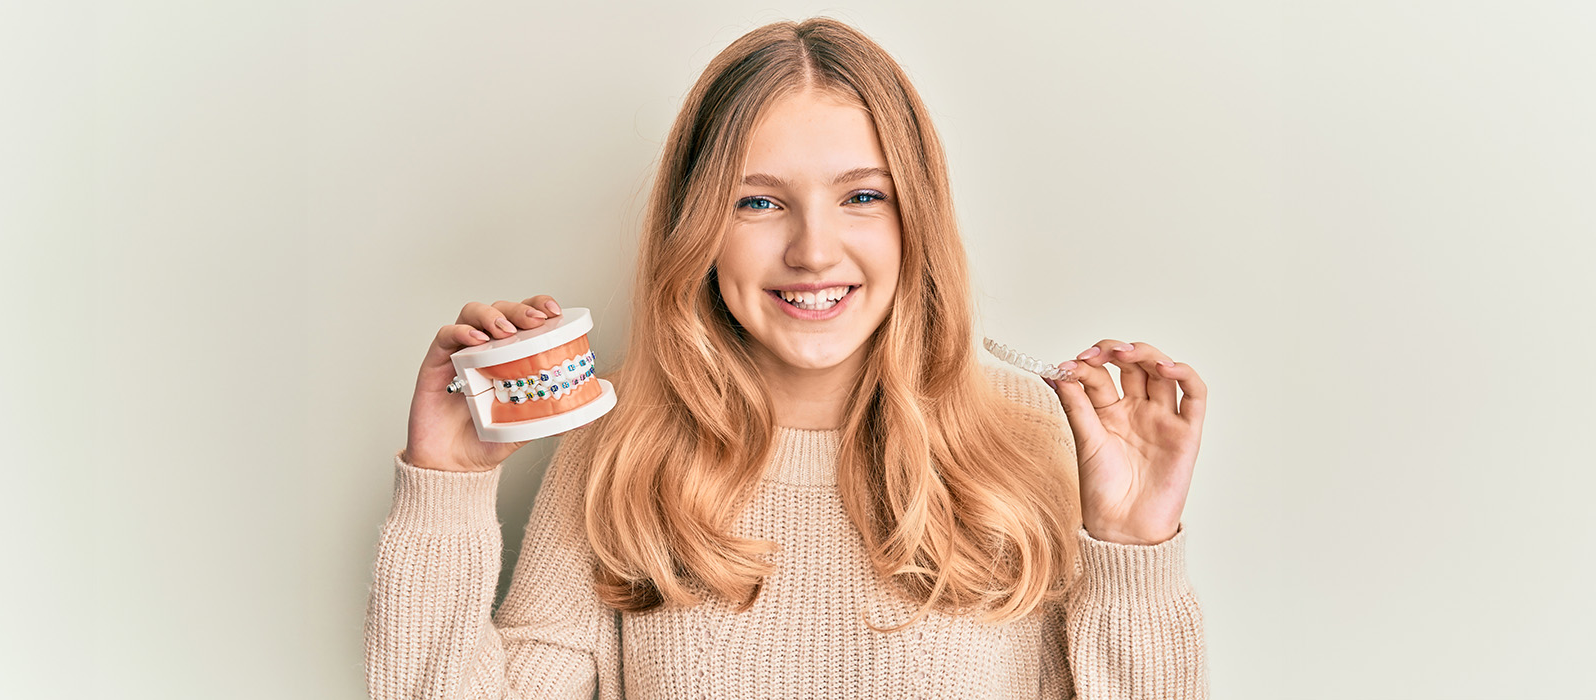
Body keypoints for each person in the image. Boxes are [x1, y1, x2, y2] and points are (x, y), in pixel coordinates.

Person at [367, 17, 1209, 699]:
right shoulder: (619, 443)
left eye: (862, 197)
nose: (813, 249)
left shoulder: (1030, 436)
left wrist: (1132, 551)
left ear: (915, 219)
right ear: (698, 228)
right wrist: (447, 487)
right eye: (759, 200)